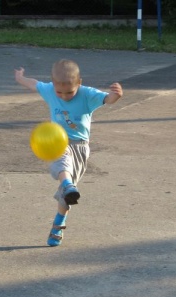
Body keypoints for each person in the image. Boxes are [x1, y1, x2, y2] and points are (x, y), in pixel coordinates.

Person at [14, 59, 123, 246]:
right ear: (53, 85)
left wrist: (117, 94)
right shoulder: (50, 90)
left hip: (80, 146)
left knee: (67, 196)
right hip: (57, 142)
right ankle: (66, 183)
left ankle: (58, 222)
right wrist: (20, 77)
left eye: (70, 92)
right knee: (62, 162)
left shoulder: (87, 94)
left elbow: (108, 100)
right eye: (59, 92)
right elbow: (34, 84)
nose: (64, 96)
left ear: (79, 82)